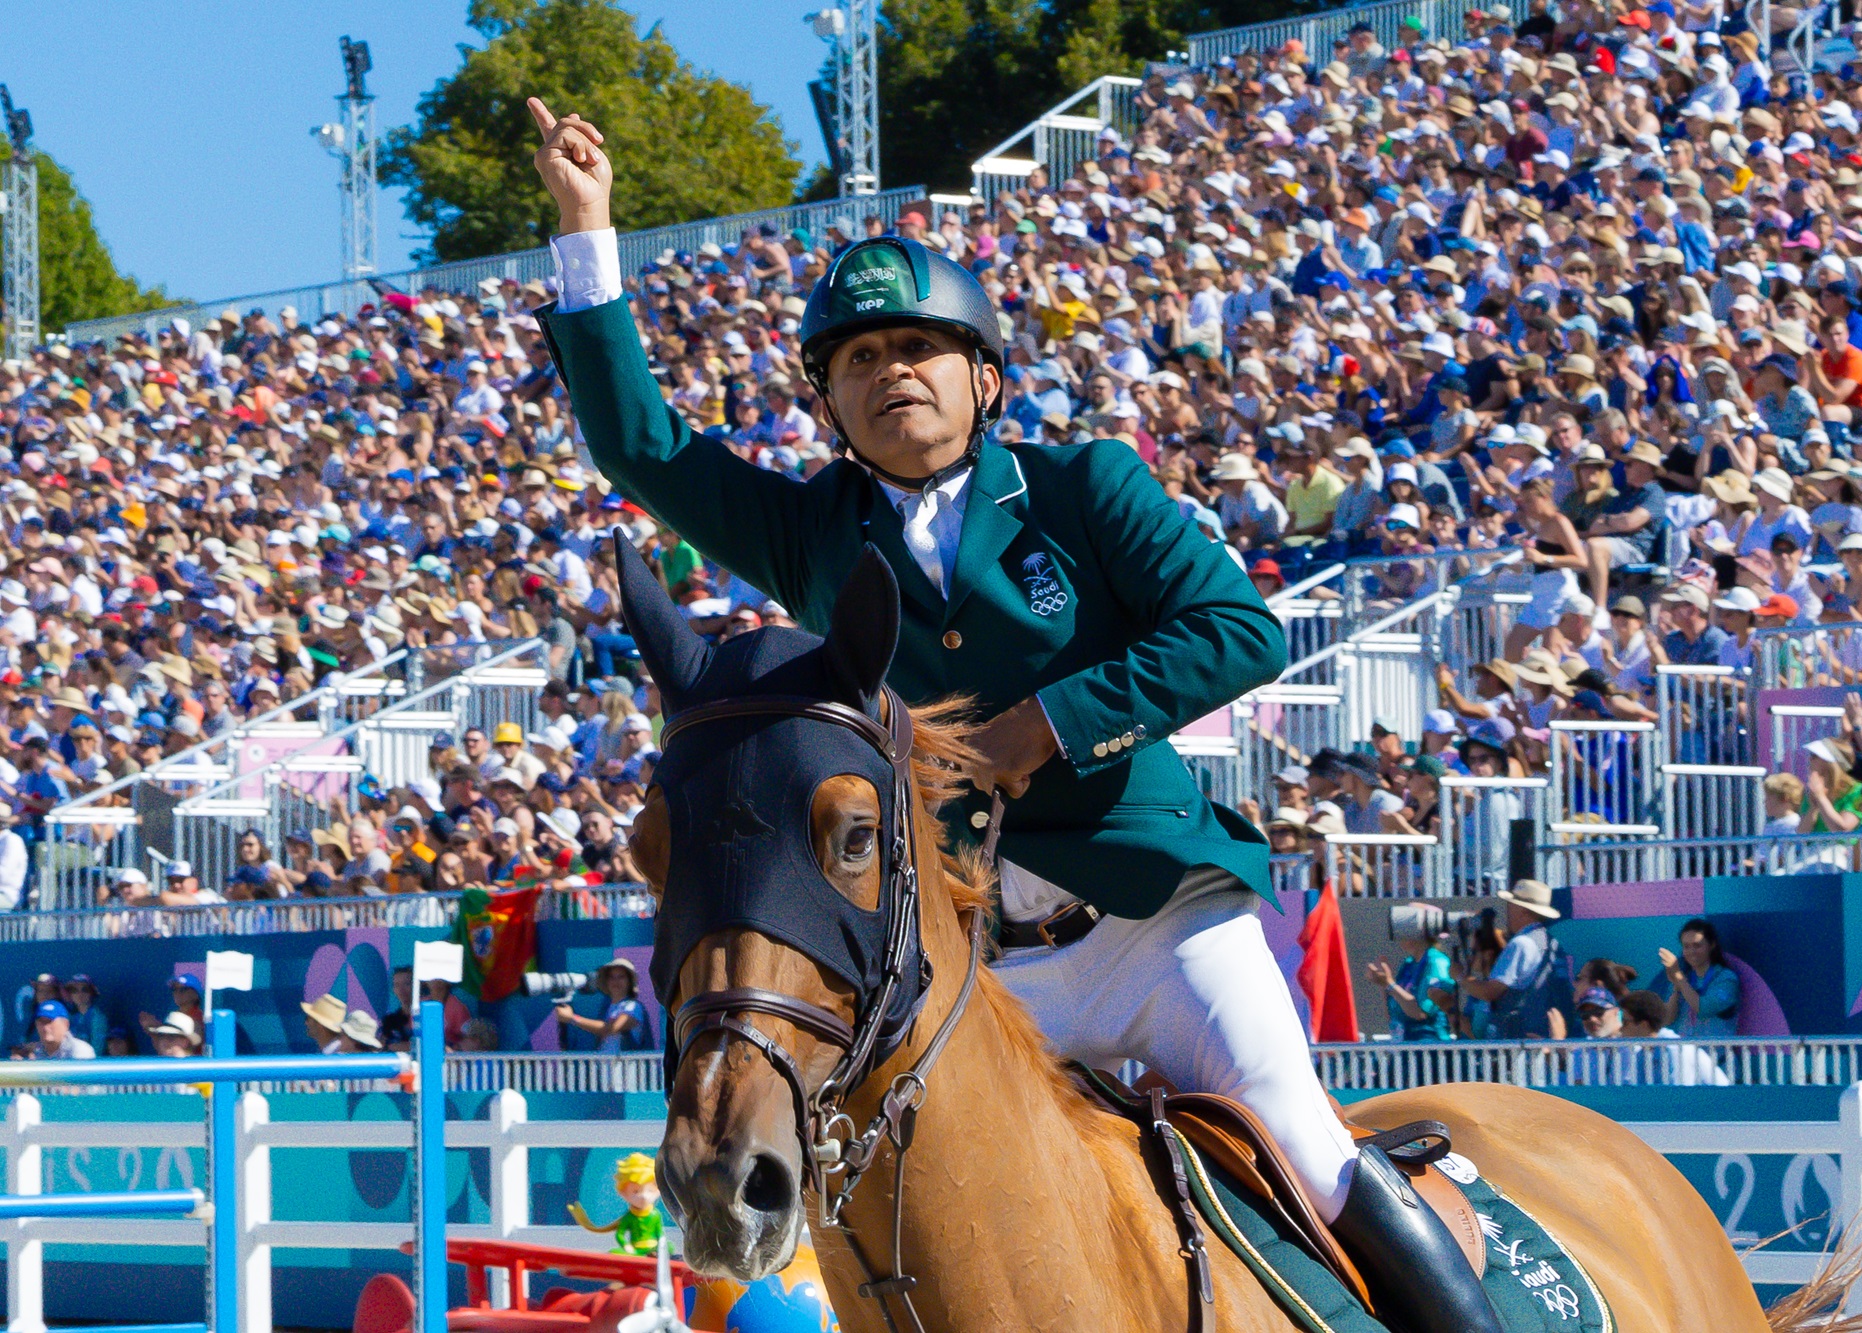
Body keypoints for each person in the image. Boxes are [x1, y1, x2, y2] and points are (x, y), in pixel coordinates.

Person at [525, 98, 1503, 1331]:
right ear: (830, 405)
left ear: (982, 377)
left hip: (1155, 929)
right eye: (856, 359)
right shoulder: (811, 533)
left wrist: (1042, 726)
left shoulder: (1083, 486)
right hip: (984, 972)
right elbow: (640, 447)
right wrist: (587, 232)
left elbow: (1237, 631)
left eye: (916, 346)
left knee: (1310, 1155)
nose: (889, 371)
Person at [1453, 879, 1577, 1040]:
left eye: (1512, 903)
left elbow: (1490, 992)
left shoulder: (1522, 943)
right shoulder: (1550, 941)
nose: (1508, 908)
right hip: (1544, 1035)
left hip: (1519, 1040)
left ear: (1522, 910)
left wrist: (1460, 976)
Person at [1364, 906, 1455, 1042]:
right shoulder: (1409, 963)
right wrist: (1383, 984)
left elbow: (1420, 1013)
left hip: (1429, 1046)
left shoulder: (1436, 961)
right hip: (1405, 1044)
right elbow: (1394, 1014)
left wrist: (1389, 983)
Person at [1648, 918, 1741, 1039]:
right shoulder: (1685, 977)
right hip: (1686, 1050)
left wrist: (1678, 976)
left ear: (1712, 945)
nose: (1691, 951)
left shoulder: (1726, 979)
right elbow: (1667, 1019)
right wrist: (1676, 988)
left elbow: (1703, 1009)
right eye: (1686, 946)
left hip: (1713, 1051)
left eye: (1697, 946)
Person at [554, 958, 652, 1051]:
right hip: (605, 1063)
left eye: (621, 977)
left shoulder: (634, 1007)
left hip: (626, 1064)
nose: (616, 981)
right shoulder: (607, 1008)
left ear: (629, 981)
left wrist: (572, 1018)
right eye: (611, 977)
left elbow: (611, 1028)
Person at [23, 999, 94, 1060]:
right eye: (41, 1022)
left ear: (65, 1024)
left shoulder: (80, 1050)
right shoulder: (35, 1052)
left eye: (49, 1022)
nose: (45, 1027)